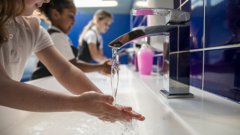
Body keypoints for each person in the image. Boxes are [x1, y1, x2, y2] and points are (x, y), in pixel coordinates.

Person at [0, 0, 145, 123]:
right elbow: (3, 87)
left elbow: (66, 70)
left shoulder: (32, 28)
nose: (47, 1)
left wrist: (105, 104)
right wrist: (78, 103)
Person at [31, 0, 111, 80]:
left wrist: (100, 67)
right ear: (55, 14)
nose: (74, 21)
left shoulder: (60, 36)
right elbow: (73, 66)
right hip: (43, 82)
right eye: (71, 16)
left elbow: (73, 63)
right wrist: (100, 67)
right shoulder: (56, 36)